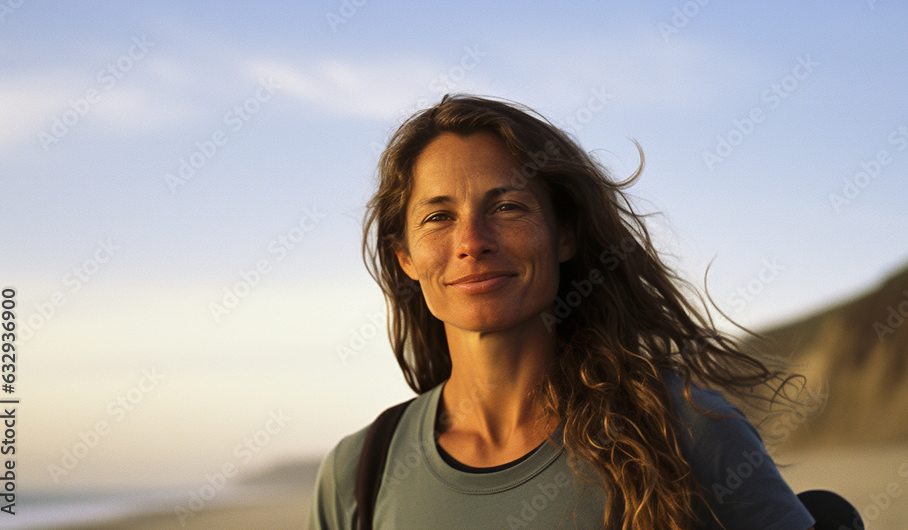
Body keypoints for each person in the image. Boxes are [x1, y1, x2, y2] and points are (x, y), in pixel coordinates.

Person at [309, 94, 817, 530]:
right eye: (439, 217)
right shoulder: (360, 474)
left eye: (507, 207)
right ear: (405, 258)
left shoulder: (685, 431)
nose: (471, 242)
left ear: (565, 234)